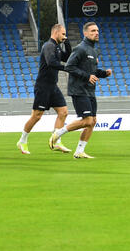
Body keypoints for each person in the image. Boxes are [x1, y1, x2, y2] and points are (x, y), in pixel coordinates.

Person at [50, 22, 112, 158]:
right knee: (87, 120)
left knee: (93, 121)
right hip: (78, 89)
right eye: (93, 31)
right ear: (85, 33)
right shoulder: (80, 49)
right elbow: (70, 67)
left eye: (97, 31)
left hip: (90, 90)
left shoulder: (94, 50)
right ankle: (58, 133)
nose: (96, 33)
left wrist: (103, 73)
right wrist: (87, 76)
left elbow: (92, 71)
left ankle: (79, 151)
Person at [17, 24, 72, 154]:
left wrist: (67, 43)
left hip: (53, 86)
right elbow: (51, 62)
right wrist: (67, 68)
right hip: (43, 86)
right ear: (56, 32)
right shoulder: (48, 46)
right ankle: (22, 141)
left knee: (63, 112)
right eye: (63, 34)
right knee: (37, 116)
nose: (64, 36)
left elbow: (67, 57)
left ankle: (56, 141)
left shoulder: (57, 47)